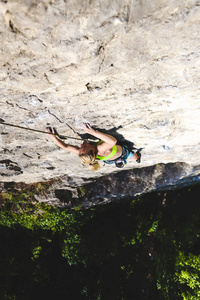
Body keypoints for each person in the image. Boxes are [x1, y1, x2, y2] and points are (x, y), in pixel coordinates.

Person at [46, 123, 141, 171]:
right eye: (84, 146)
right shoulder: (100, 149)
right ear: (92, 150)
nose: (81, 145)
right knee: (132, 155)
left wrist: (52, 136)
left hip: (109, 161)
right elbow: (113, 141)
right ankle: (137, 159)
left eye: (81, 147)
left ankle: (129, 160)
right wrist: (93, 132)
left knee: (125, 157)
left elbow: (65, 146)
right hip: (123, 152)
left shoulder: (84, 153)